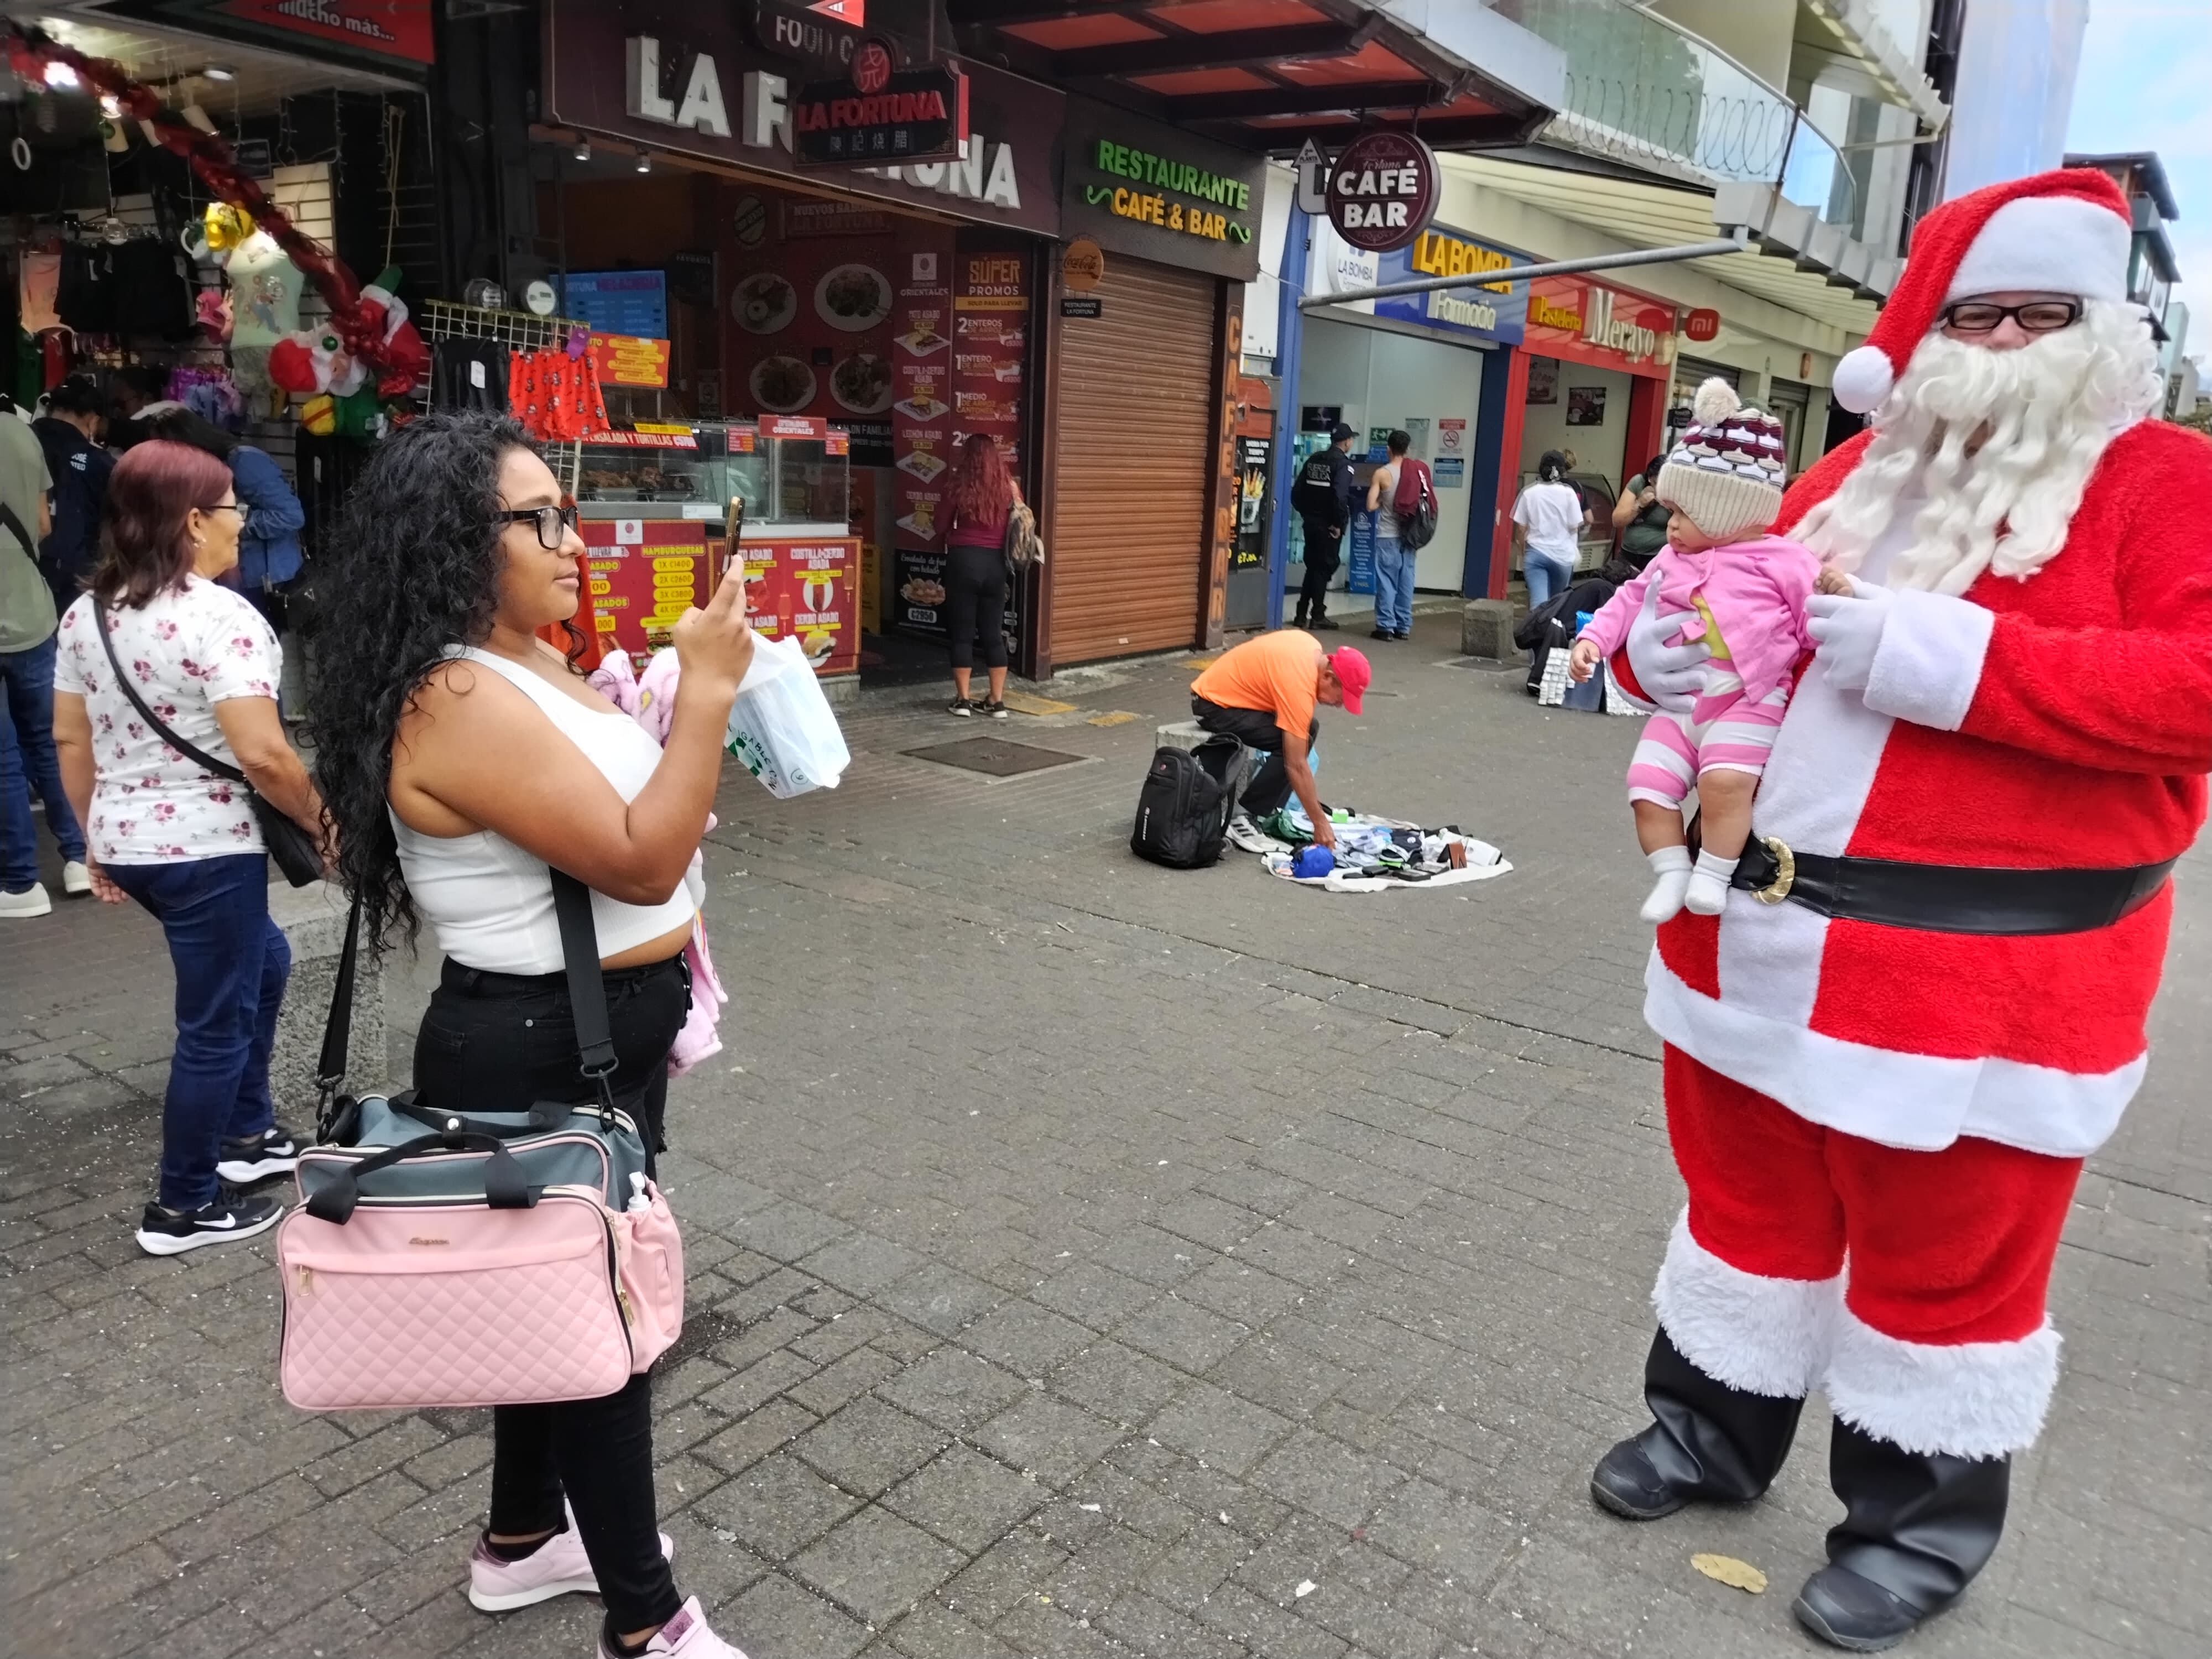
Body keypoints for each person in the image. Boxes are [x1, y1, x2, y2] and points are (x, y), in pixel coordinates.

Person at [1592, 169, 2212, 1652]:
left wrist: (1960, 667)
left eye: (2040, 312)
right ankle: (1710, 1435)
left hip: (1985, 983)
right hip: (1752, 938)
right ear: (1919, 331)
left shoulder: (2164, 483)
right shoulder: (1841, 475)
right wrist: (1662, 671)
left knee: (1952, 1263)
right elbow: (1726, 618)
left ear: (2105, 326)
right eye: (1974, 311)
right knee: (1745, 1215)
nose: (2001, 340)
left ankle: (1916, 1524)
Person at [306, 412, 755, 1659]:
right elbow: (642, 849)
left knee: (545, 1293)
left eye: (568, 513)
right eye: (539, 520)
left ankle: (520, 1540)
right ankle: (647, 1621)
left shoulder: (528, 663)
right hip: (539, 1042)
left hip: (586, 1034)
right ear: (458, 543)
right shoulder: (454, 692)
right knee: (599, 1331)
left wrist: (676, 700)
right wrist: (709, 690)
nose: (573, 540)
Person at [49, 441, 323, 1250]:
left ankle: (246, 1137)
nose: (243, 523)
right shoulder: (220, 617)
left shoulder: (88, 612)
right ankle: (184, 1206)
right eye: (232, 508)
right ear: (194, 522)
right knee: (213, 1025)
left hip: (135, 847)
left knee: (263, 963)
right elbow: (267, 756)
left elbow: (71, 740)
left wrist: (94, 836)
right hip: (206, 850)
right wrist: (322, 822)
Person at [1570, 382, 1835, 921]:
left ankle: (1712, 875)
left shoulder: (1784, 561)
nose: (1669, 525)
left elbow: (1814, 627)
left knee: (1725, 784)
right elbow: (1627, 600)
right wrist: (1592, 639)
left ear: (1726, 511)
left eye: (1683, 513)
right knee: (1646, 786)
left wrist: (1839, 606)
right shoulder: (1671, 558)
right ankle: (1671, 871)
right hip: (1680, 706)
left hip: (1748, 701)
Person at [1, 393, 88, 917]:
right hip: (31, 612)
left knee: (4, 759)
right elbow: (44, 525)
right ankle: (78, 858)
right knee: (48, 741)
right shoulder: (21, 433)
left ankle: (20, 885)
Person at [1190, 631, 1370, 853]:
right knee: (1288, 748)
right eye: (1341, 698)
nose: (1340, 705)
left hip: (1228, 697)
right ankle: (1243, 819)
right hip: (1212, 705)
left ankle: (1265, 810)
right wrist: (1319, 823)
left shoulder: (1310, 646)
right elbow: (1296, 765)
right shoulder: (1300, 686)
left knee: (1308, 729)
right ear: (1328, 677)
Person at [145, 407, 306, 627]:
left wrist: (235, 524)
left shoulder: (243, 461)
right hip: (233, 572)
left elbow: (290, 515)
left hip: (265, 578)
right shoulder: (206, 469)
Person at [938, 431, 1018, 718]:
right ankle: (997, 702)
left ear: (967, 457)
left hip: (963, 562)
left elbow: (939, 525)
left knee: (962, 634)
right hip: (996, 565)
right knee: (993, 634)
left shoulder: (957, 487)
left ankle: (963, 701)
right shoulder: (1008, 488)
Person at [34, 376, 115, 615]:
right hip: (72, 582)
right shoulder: (99, 463)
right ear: (93, 420)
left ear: (49, 410)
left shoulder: (19, 443)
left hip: (16, 569)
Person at [1290, 422, 1358, 630]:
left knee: (1313, 567)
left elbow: (1296, 493)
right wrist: (1337, 524)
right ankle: (1317, 615)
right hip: (1328, 527)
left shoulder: (1314, 459)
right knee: (1323, 567)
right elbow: (1340, 497)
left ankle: (1301, 614)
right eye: (1351, 440)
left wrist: (1308, 514)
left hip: (1310, 524)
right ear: (1347, 442)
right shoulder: (1343, 465)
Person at [1511, 450, 1589, 613]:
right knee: (1557, 604)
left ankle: (1536, 635)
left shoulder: (1528, 493)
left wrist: (1522, 552)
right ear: (1562, 471)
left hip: (1536, 554)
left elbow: (1520, 528)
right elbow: (1575, 525)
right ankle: (1552, 636)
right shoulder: (1569, 494)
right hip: (1562, 556)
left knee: (1538, 605)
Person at [1364, 429, 1419, 643]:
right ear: (1407, 450)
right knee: (1407, 580)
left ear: (1389, 449)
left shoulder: (1382, 474)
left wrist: (1385, 502)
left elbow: (1370, 505)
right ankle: (1403, 626)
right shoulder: (1415, 472)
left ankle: (1385, 627)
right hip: (1410, 536)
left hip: (1387, 535)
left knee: (1387, 581)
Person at [1610, 451, 1673, 570]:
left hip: (1658, 557)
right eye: (1656, 483)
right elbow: (1617, 521)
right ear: (1649, 478)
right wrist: (1639, 505)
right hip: (1628, 554)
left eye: (1664, 484)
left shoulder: (1677, 493)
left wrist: (1671, 508)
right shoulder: (1639, 482)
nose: (1660, 488)